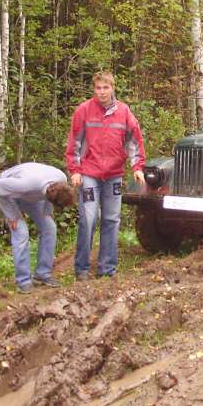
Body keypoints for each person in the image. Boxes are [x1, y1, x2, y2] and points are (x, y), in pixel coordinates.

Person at [66, 72, 146, 280]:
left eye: (105, 88)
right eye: (98, 88)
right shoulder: (84, 110)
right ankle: (82, 269)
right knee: (89, 219)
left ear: (112, 88)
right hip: (89, 174)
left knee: (111, 220)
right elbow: (74, 142)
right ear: (94, 89)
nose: (102, 92)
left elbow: (134, 141)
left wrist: (137, 167)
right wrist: (75, 170)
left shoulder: (124, 111)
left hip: (113, 175)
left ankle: (107, 269)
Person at [0, 163, 75, 293]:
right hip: (9, 193)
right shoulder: (25, 184)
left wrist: (47, 211)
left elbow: (51, 194)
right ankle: (23, 281)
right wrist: (12, 216)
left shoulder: (61, 178)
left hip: (32, 194)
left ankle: (42, 274)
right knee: (21, 232)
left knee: (49, 227)